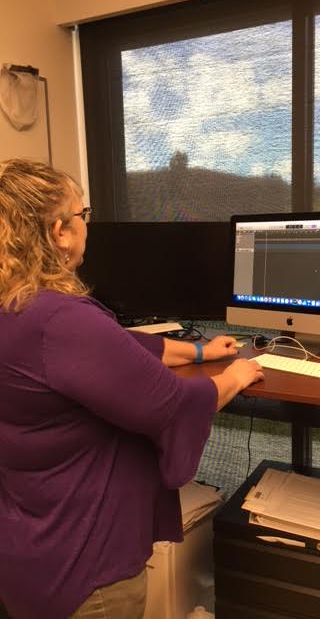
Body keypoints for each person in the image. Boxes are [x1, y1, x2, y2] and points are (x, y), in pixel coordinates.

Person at [0, 158, 264, 619]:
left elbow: (121, 345)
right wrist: (237, 375)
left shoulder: (18, 307)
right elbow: (174, 407)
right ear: (60, 232)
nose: (87, 224)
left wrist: (199, 352)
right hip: (86, 572)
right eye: (83, 214)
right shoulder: (62, 320)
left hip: (29, 553)